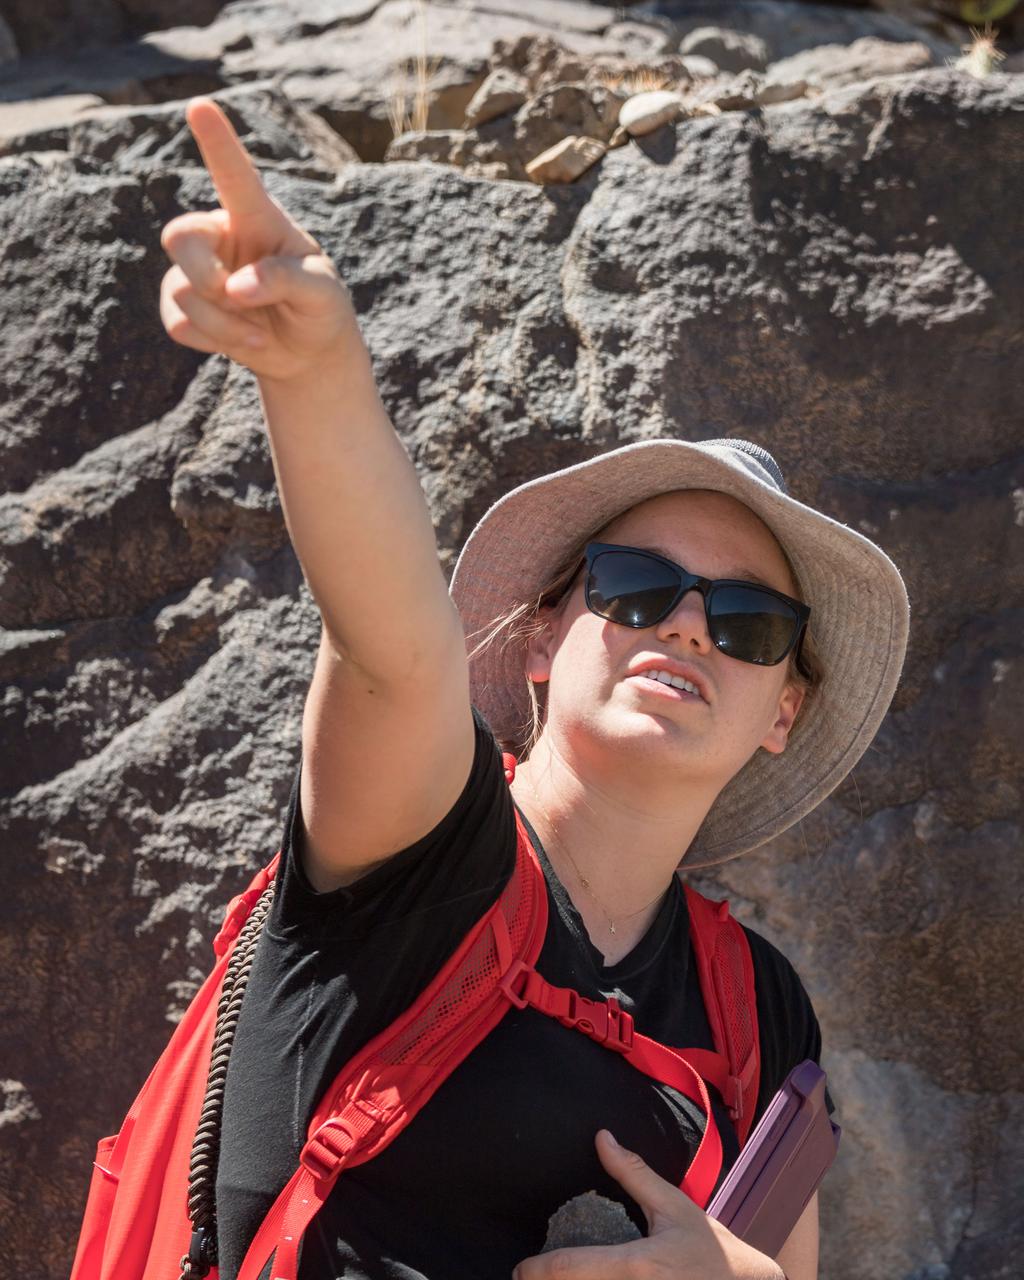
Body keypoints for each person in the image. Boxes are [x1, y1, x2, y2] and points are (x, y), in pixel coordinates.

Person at [157, 97, 910, 1280]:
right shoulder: (420, 848)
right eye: (631, 585)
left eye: (751, 620)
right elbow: (387, 642)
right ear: (540, 638)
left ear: (782, 711)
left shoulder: (759, 1009)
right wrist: (315, 375)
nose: (686, 625)